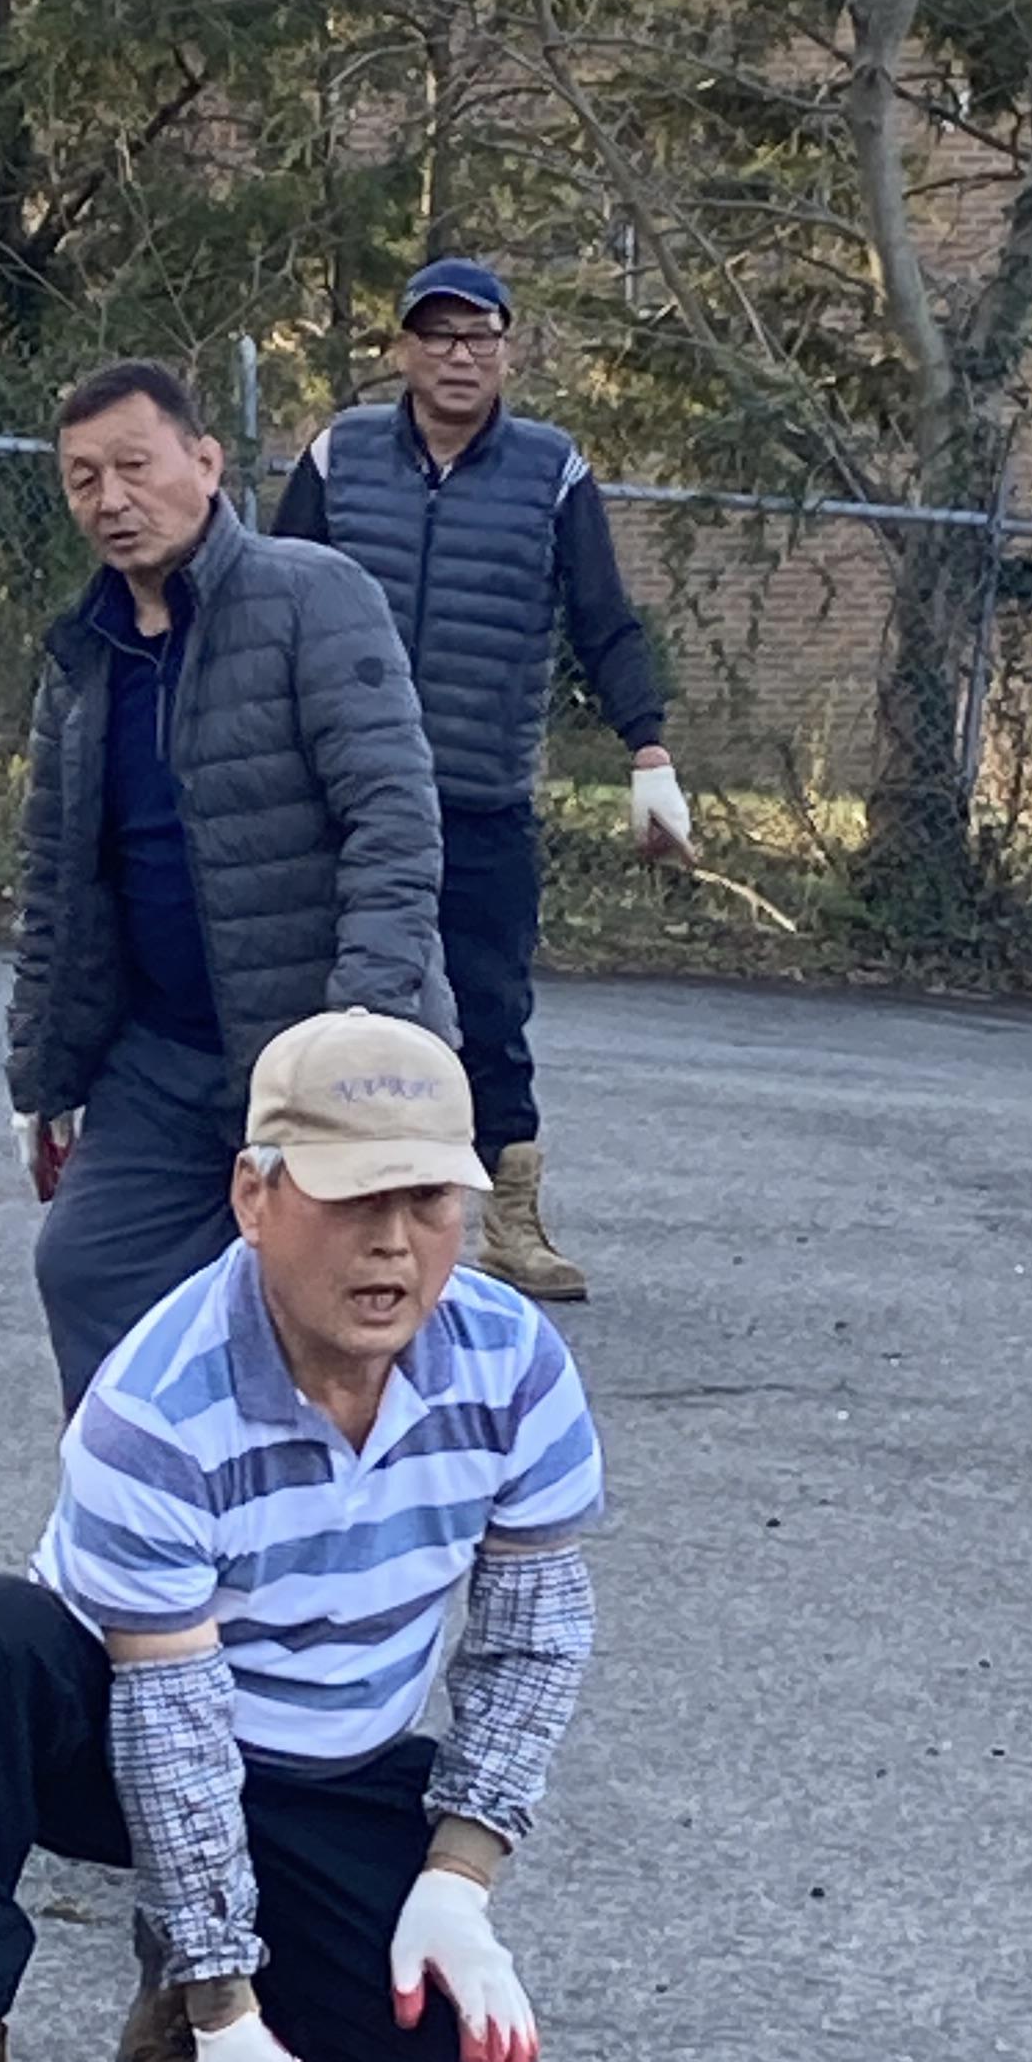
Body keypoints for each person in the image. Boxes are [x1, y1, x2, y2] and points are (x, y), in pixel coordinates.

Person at [0, 1009, 603, 2062]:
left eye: (427, 1202)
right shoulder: (157, 1402)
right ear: (256, 1197)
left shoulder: (516, 1365)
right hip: (120, 1737)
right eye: (352, 1202)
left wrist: (459, 1878)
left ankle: (196, 1979)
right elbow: (172, 1722)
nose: (393, 1246)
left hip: (333, 1770)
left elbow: (531, 1640)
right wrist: (225, 2001)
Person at [11, 358, 449, 1409]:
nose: (112, 500)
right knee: (86, 1268)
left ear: (206, 463)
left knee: (330, 1319)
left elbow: (392, 820)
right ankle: (142, 1502)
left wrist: (364, 1028)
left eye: (135, 466)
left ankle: (337, 1503)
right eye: (83, 479)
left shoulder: (312, 598)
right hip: (161, 1062)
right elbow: (55, 884)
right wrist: (41, 1078)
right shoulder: (82, 659)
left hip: (314, 1049)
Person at [273, 257, 692, 1305]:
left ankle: (510, 1221)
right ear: (403, 351)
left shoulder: (553, 471)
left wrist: (647, 749)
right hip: (340, 794)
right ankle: (295, 1208)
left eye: (479, 336)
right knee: (320, 1000)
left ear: (508, 350)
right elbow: (270, 601)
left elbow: (603, 619)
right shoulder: (338, 454)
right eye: (438, 334)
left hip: (481, 794)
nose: (458, 355)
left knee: (490, 1011)